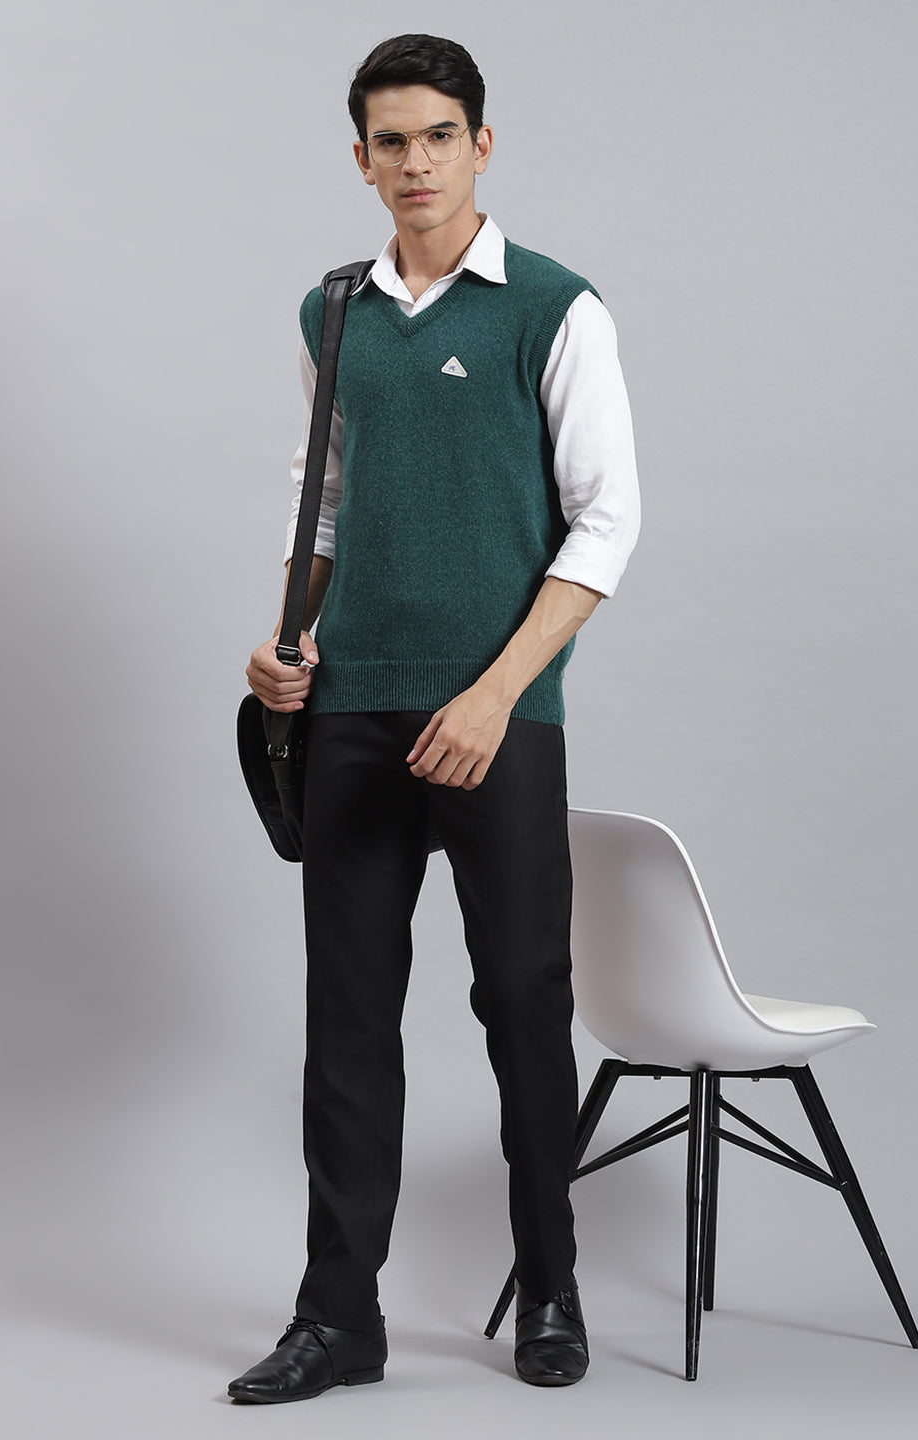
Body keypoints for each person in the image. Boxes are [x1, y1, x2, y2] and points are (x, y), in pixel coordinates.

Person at [230, 33, 640, 1403]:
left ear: (482, 144)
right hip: (350, 710)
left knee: (523, 1002)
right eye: (391, 142)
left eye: (440, 136)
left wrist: (494, 692)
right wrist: (287, 641)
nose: (417, 162)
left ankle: (552, 1291)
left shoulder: (555, 307)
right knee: (345, 1021)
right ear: (361, 160)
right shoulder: (332, 312)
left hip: (497, 715)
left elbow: (607, 523)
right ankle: (338, 1318)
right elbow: (326, 503)